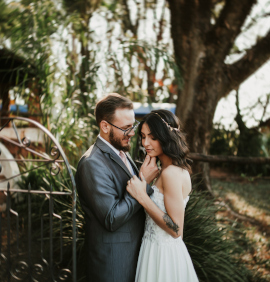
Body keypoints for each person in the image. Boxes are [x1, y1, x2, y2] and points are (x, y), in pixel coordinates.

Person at [75, 93, 159, 282]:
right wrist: (143, 182)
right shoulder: (92, 163)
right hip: (113, 263)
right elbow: (111, 218)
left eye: (133, 126)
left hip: (134, 254)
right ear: (105, 126)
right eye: (126, 128)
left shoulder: (121, 152)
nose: (131, 133)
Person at [126, 109, 199, 282]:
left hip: (163, 255)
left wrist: (142, 197)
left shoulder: (171, 173)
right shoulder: (164, 171)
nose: (146, 143)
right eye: (143, 136)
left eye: (153, 137)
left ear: (166, 136)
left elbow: (176, 229)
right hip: (151, 249)